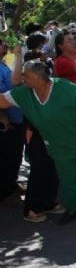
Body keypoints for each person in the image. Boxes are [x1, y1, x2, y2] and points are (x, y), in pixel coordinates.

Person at [0, 60, 76, 225]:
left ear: (38, 77)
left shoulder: (63, 87)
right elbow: (2, 100)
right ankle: (72, 210)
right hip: (59, 144)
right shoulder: (24, 94)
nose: (22, 78)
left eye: (26, 75)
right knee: (67, 178)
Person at [0, 40, 25, 202]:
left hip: (15, 118)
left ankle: (10, 184)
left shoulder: (3, 64)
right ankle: (4, 193)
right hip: (7, 121)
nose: (4, 45)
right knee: (6, 157)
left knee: (14, 154)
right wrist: (2, 116)